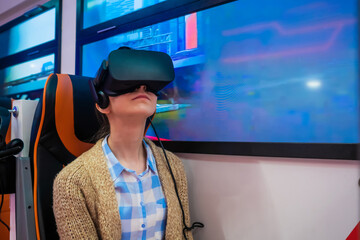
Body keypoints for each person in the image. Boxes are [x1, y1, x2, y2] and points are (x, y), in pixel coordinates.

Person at [52, 48, 194, 239]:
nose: (142, 88)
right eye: (129, 85)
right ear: (102, 101)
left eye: (149, 86)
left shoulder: (173, 166)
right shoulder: (72, 182)